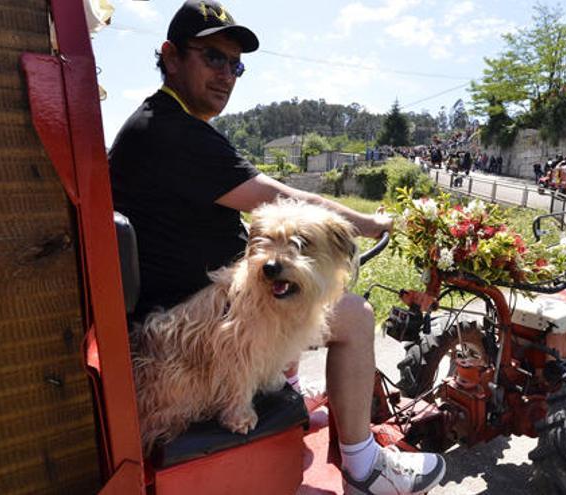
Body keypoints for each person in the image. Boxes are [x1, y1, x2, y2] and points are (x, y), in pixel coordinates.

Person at [107, 2, 446, 493]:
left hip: (184, 305)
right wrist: (369, 223)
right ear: (171, 56)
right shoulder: (172, 132)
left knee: (278, 277)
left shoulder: (161, 122)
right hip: (189, 317)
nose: (226, 74)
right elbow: (288, 198)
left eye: (235, 64)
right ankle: (364, 464)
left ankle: (282, 387)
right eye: (212, 57)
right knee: (352, 314)